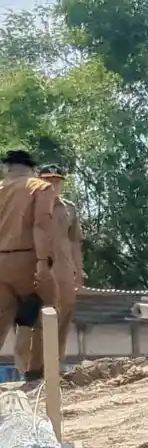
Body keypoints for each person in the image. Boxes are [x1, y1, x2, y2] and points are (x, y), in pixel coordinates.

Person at [0, 150, 58, 381]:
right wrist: (43, 262)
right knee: (48, 309)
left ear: (9, 168)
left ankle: (22, 326)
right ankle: (34, 374)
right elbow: (40, 226)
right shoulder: (40, 187)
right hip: (26, 257)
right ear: (31, 168)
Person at [35, 165, 80, 367]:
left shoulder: (69, 208)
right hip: (38, 273)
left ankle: (56, 367)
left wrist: (79, 272)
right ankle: (35, 369)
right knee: (38, 320)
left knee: (63, 319)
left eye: (57, 180)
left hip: (64, 273)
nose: (53, 184)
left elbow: (75, 242)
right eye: (48, 180)